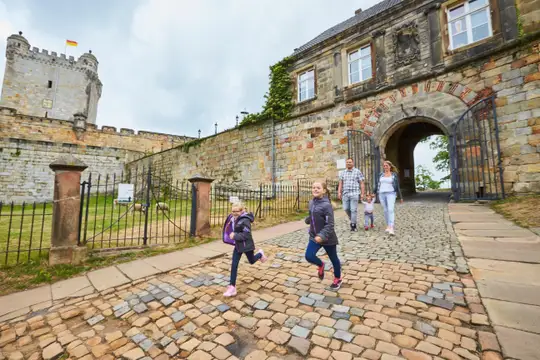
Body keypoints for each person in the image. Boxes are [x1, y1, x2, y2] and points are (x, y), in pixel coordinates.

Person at [222, 202, 267, 297]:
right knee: (234, 265)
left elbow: (247, 235)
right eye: (233, 211)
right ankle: (232, 287)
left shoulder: (245, 220)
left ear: (242, 211)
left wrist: (235, 235)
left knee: (251, 261)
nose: (234, 213)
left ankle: (260, 254)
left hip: (247, 245)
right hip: (238, 246)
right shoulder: (233, 219)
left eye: (236, 211)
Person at [305, 180, 343, 291]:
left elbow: (330, 224)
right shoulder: (311, 202)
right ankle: (321, 265)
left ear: (324, 191)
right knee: (309, 256)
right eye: (313, 187)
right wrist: (308, 220)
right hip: (314, 236)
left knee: (334, 259)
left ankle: (337, 278)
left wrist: (322, 235)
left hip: (327, 237)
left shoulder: (327, 205)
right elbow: (311, 214)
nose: (315, 189)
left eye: (318, 188)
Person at [374, 160, 403, 236]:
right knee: (385, 210)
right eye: (384, 166)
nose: (385, 167)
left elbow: (397, 186)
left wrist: (400, 197)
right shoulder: (380, 174)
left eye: (387, 165)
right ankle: (388, 225)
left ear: (390, 166)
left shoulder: (394, 175)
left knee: (390, 209)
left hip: (391, 193)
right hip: (381, 194)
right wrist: (373, 193)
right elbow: (377, 184)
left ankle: (391, 227)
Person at [338, 158, 365, 232]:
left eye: (350, 162)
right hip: (345, 194)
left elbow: (362, 183)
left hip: (354, 194)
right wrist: (339, 192)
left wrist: (362, 194)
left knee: (353, 210)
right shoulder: (342, 172)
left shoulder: (357, 171)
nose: (348, 163)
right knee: (346, 208)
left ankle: (353, 225)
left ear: (353, 163)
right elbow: (340, 184)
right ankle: (353, 219)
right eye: (347, 162)